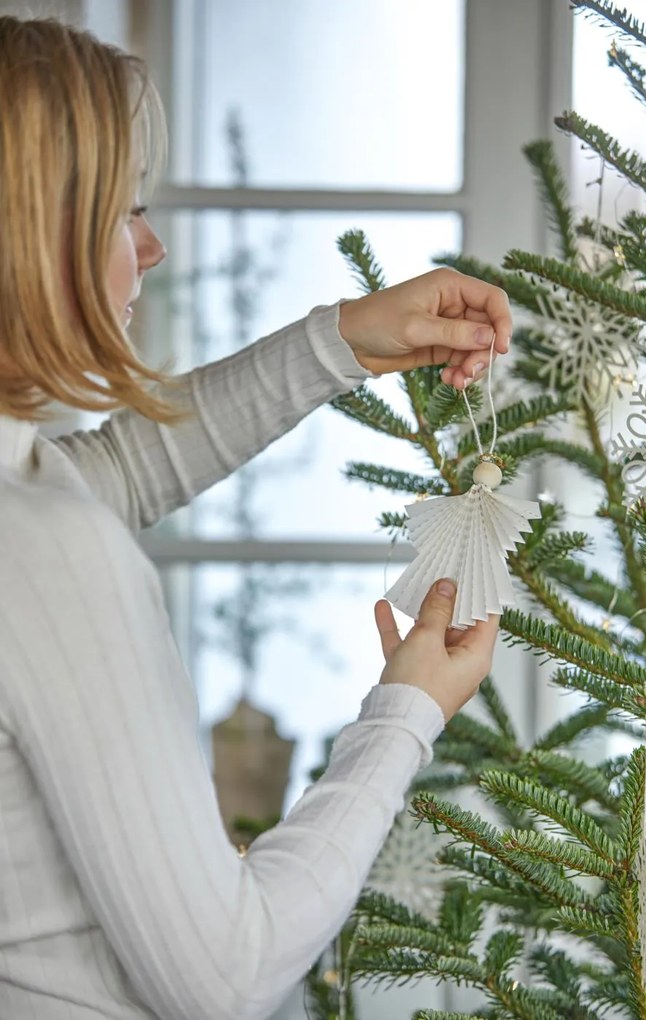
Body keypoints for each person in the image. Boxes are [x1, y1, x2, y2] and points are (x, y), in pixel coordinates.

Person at [0, 13, 512, 1020]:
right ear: (35, 236)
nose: (149, 248)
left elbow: (111, 472)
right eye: (123, 211)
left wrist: (341, 340)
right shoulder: (48, 553)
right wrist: (404, 713)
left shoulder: (31, 501)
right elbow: (224, 978)